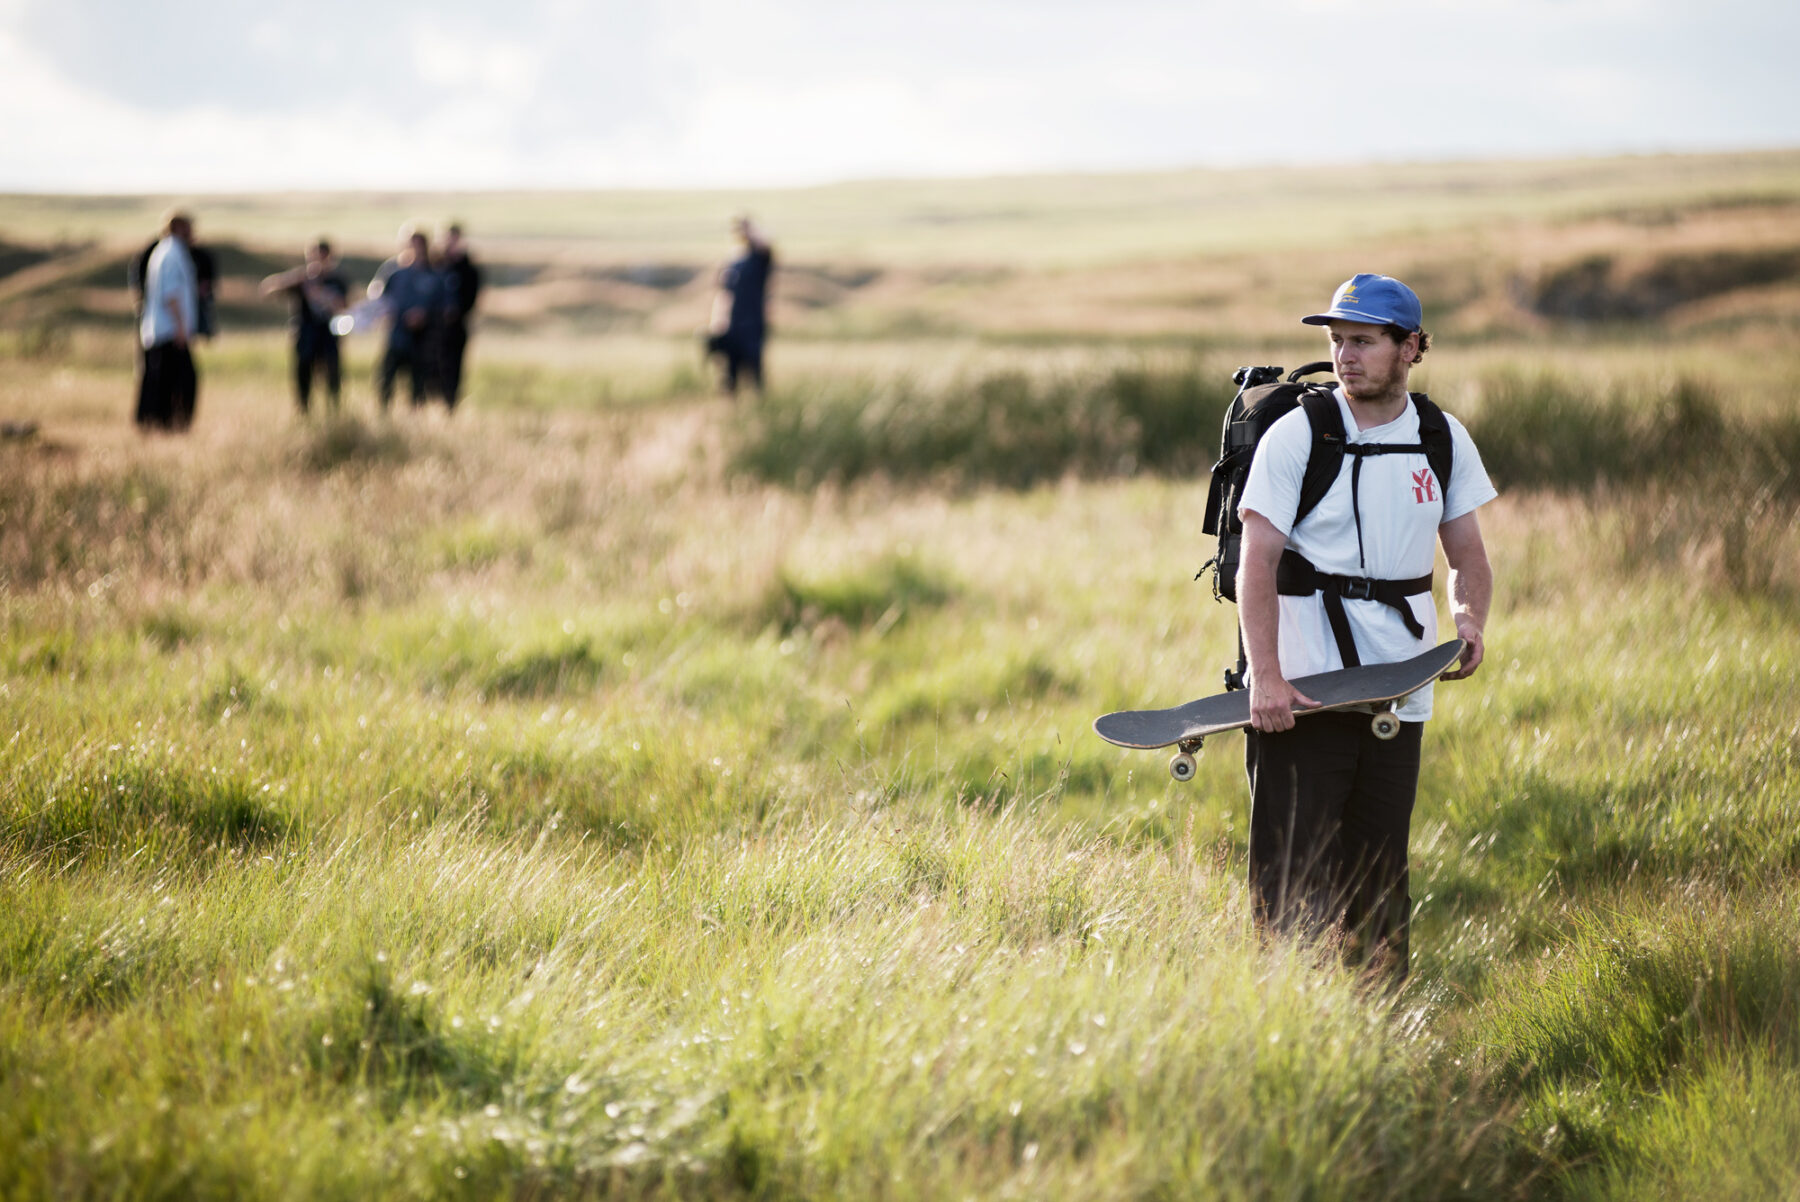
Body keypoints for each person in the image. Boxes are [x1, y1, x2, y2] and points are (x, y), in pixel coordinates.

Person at [1236, 273, 1496, 986]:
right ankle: (1288, 1026)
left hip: (1399, 691)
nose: (1345, 355)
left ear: (1410, 347)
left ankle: (1379, 1026)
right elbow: (1254, 565)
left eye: (1364, 340)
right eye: (1337, 341)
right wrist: (1267, 678)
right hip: (1302, 697)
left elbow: (1467, 556)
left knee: (1381, 877)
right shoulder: (1299, 435)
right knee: (1291, 880)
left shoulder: (1441, 438)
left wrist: (1469, 619)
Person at [261, 239, 349, 414]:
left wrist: (322, 295)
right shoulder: (302, 279)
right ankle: (303, 410)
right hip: (305, 333)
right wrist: (292, 279)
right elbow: (267, 289)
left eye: (323, 256)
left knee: (332, 374)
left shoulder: (337, 280)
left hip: (329, 334)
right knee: (303, 372)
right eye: (314, 256)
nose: (318, 260)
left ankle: (334, 411)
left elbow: (344, 306)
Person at [134, 212, 201, 431]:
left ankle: (159, 425)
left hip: (164, 329)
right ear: (179, 228)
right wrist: (181, 327)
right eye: (190, 229)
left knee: (161, 380)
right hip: (169, 330)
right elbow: (171, 294)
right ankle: (170, 425)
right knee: (180, 382)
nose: (194, 234)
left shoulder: (164, 250)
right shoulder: (172, 253)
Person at [366, 226, 443, 410]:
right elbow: (376, 296)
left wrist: (425, 315)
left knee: (418, 384)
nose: (415, 248)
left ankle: (415, 420)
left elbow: (442, 305)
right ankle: (383, 416)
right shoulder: (394, 271)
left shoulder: (433, 274)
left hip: (422, 340)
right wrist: (385, 312)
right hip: (396, 336)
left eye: (419, 244)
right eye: (411, 244)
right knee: (386, 380)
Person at [706, 215, 774, 395]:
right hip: (731, 327)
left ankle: (759, 415)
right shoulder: (733, 263)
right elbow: (723, 295)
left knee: (756, 378)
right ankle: (732, 416)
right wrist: (717, 322)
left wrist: (751, 228)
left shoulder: (759, 260)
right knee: (728, 379)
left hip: (753, 326)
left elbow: (766, 245)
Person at [436, 224, 483, 409]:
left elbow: (471, 300)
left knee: (453, 369)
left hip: (456, 329)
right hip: (431, 328)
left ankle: (450, 406)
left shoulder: (469, 269)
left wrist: (455, 312)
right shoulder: (436, 265)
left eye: (453, 239)